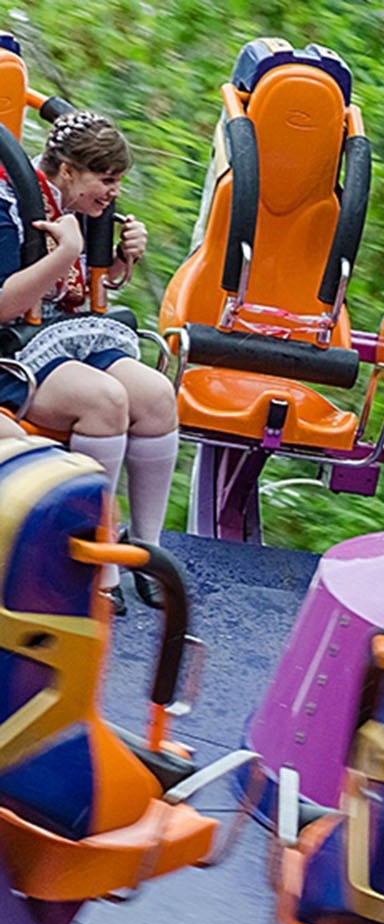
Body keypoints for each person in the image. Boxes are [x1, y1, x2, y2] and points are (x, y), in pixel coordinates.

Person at [0, 111, 178, 613]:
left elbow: (80, 286)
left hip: (68, 332)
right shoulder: (11, 203)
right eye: (106, 180)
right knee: (105, 400)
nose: (112, 192)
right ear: (68, 171)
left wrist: (121, 263)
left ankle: (147, 546)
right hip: (14, 345)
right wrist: (64, 253)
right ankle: (98, 561)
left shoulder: (86, 208)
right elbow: (4, 303)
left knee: (156, 396)